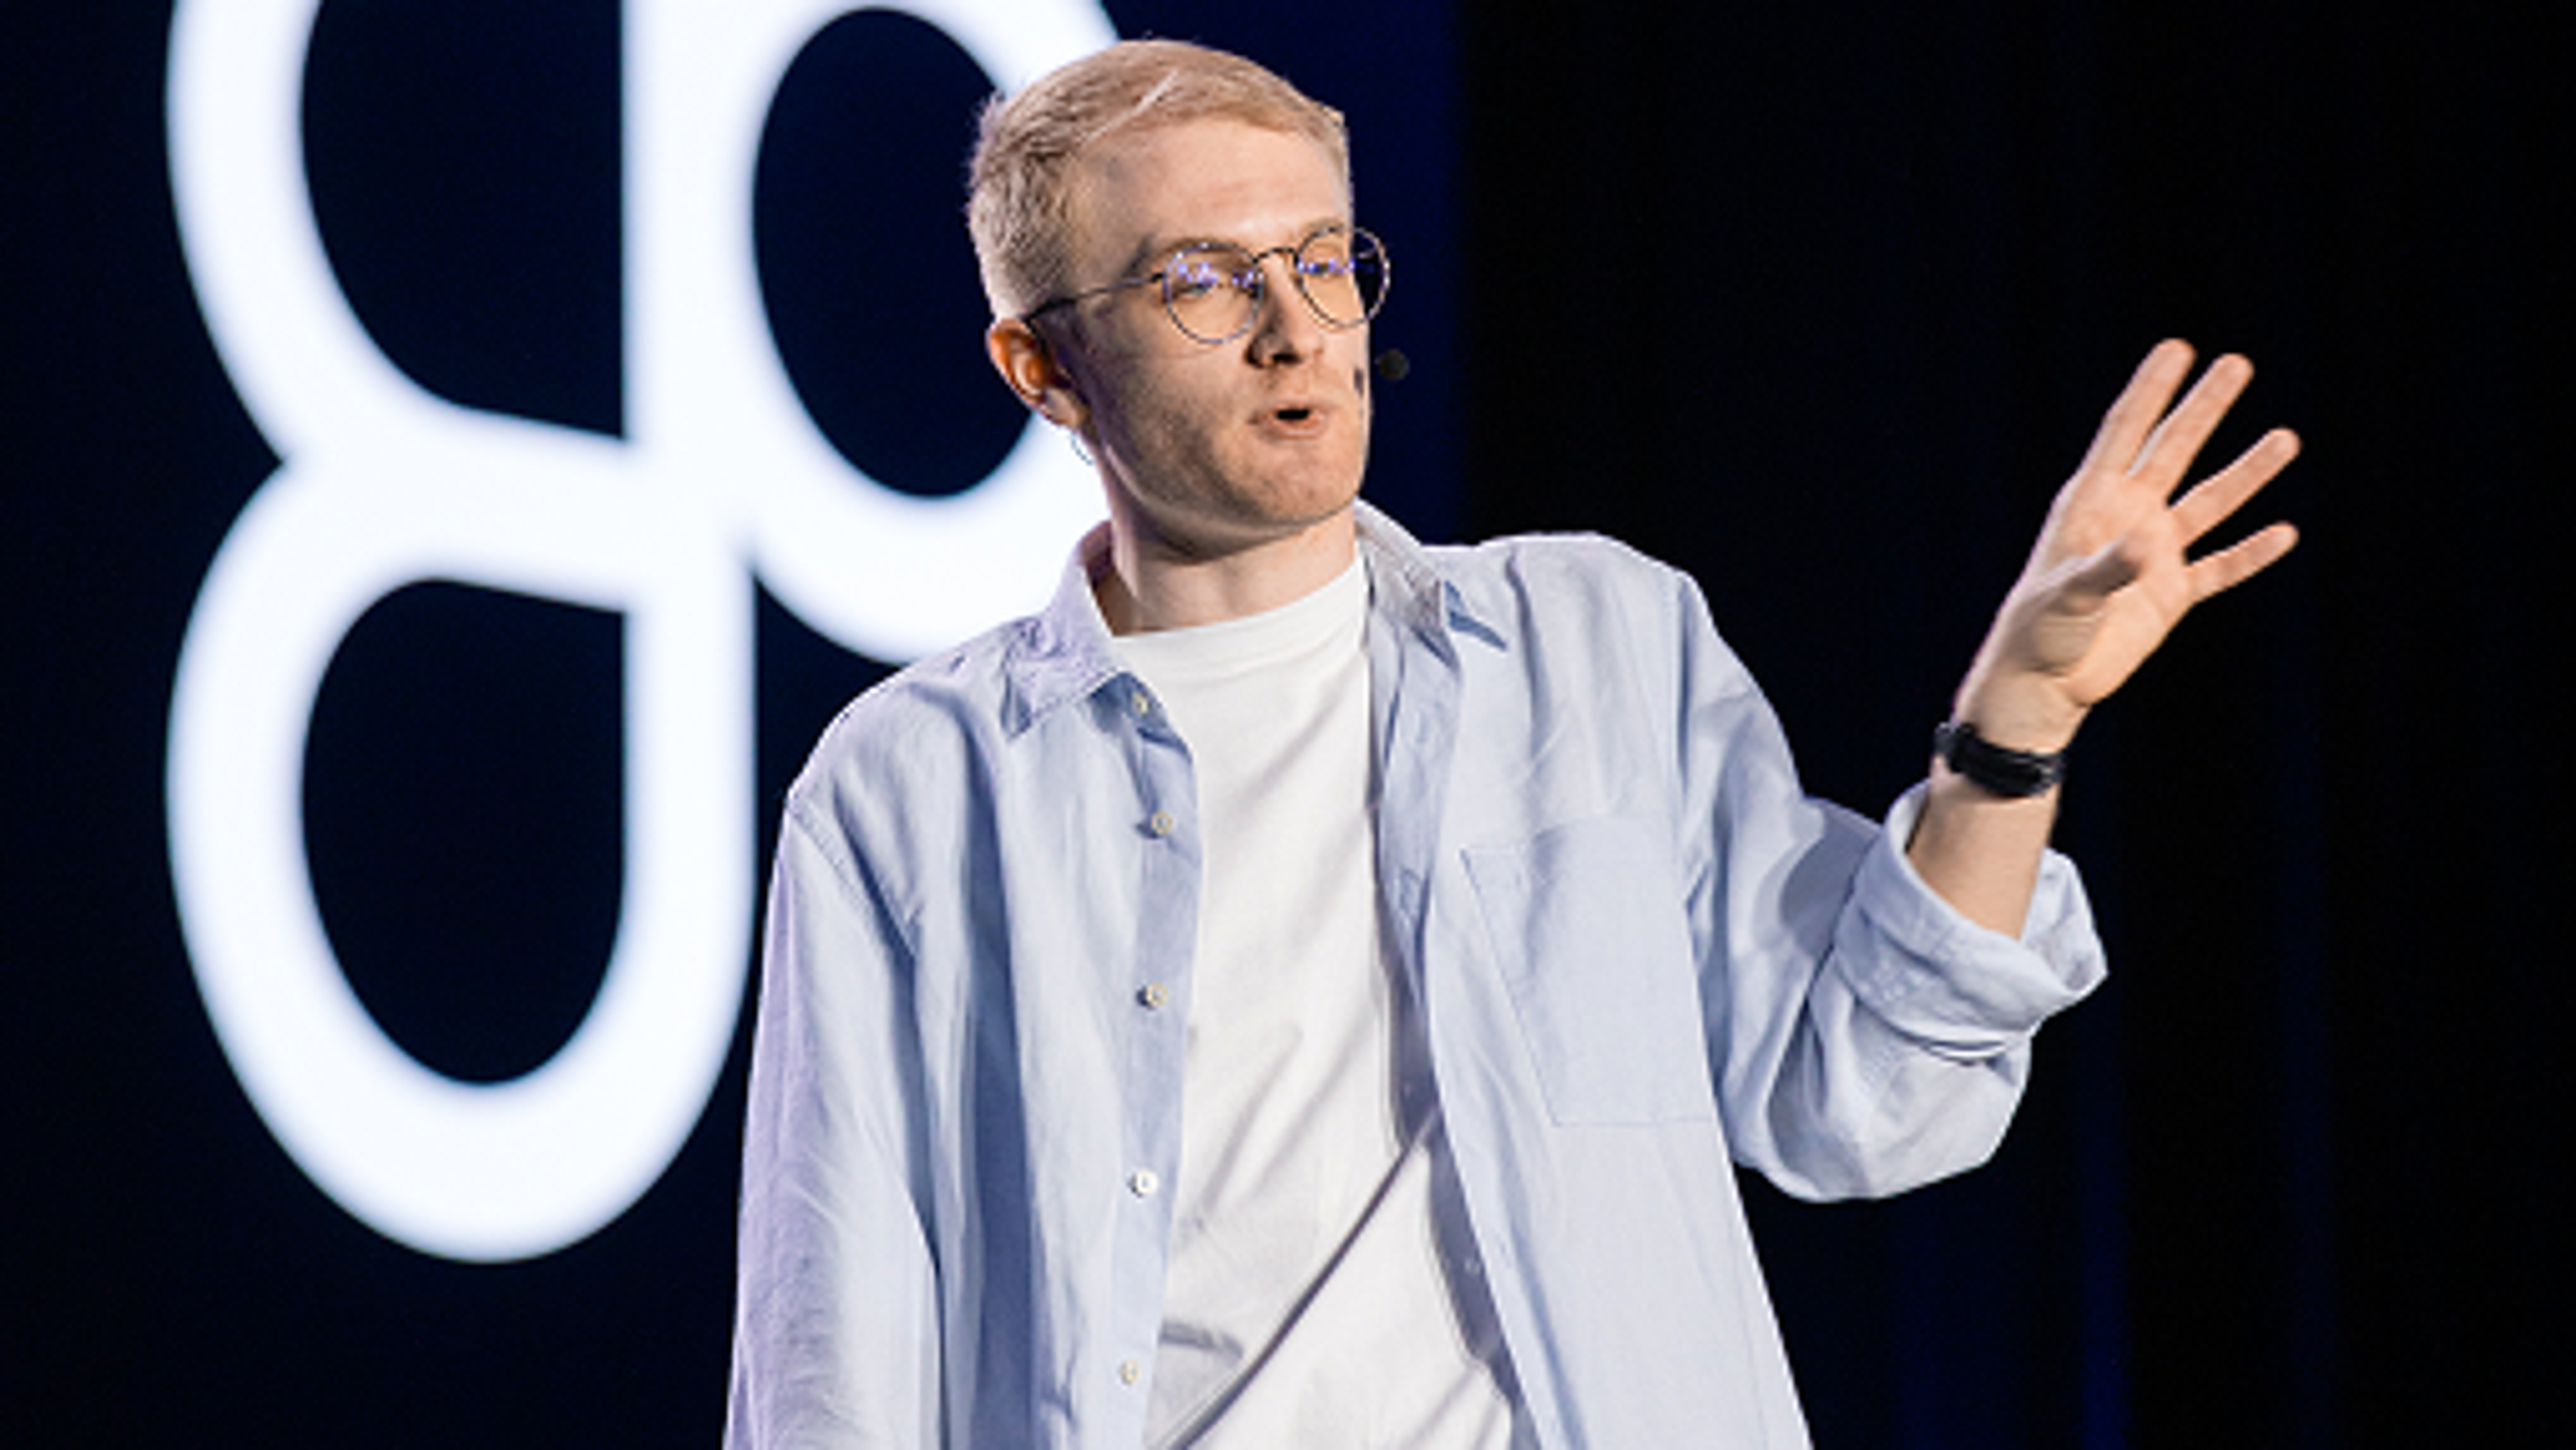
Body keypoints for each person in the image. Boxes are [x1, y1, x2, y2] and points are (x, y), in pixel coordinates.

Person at [724, 39, 2300, 1450]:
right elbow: (833, 1360)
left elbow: (1868, 1093)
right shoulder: (911, 788)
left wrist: (2017, 722)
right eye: (1203, 280)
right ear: (1044, 367)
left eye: (1326, 261)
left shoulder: (1596, 641)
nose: (1296, 331)